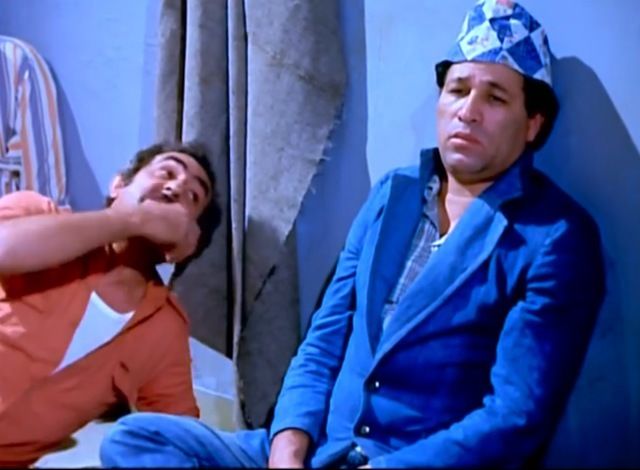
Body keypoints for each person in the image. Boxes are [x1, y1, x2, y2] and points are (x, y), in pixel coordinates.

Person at [100, 1, 606, 467]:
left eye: (495, 98)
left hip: (406, 462)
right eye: (457, 90)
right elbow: (323, 339)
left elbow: (514, 419)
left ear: (532, 123)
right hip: (322, 450)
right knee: (136, 439)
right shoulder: (393, 195)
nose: (468, 110)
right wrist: (288, 448)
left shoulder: (555, 236)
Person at [0, 141, 221, 466]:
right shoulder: (36, 212)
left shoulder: (164, 330)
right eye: (166, 173)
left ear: (188, 242)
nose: (176, 188)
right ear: (119, 185)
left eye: (193, 197)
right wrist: (129, 219)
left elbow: (177, 439)